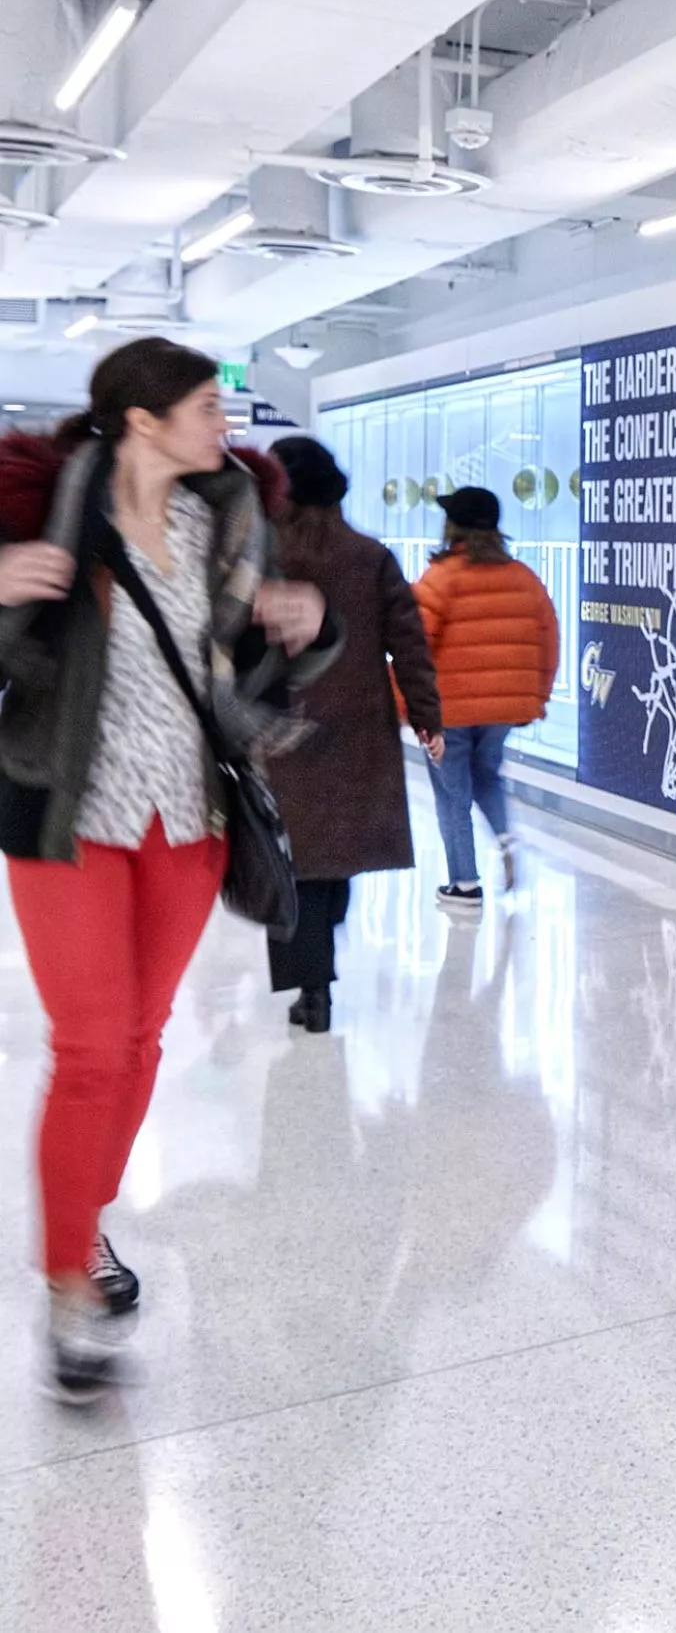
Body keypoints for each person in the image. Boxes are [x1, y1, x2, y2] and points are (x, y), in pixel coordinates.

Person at [0, 337, 334, 1403]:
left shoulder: (224, 518)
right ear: (141, 419)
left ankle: (81, 1222)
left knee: (142, 1038)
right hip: (70, 813)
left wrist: (300, 625)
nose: (223, 422)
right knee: (91, 1044)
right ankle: (68, 1290)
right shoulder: (49, 518)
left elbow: (246, 670)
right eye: (204, 405)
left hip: (187, 819)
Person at [263, 437, 443, 1032]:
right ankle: (321, 967)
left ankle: (311, 987)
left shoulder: (260, 556)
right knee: (334, 853)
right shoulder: (370, 556)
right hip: (357, 729)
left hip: (278, 731)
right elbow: (408, 645)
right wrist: (426, 718)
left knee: (290, 863)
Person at [412, 485, 558, 914]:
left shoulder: (440, 578)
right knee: (488, 776)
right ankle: (507, 838)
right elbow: (548, 640)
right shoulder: (523, 577)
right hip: (502, 710)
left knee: (451, 793)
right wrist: (537, 697)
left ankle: (464, 883)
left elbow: (416, 646)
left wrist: (409, 706)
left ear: (453, 525)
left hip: (449, 709)